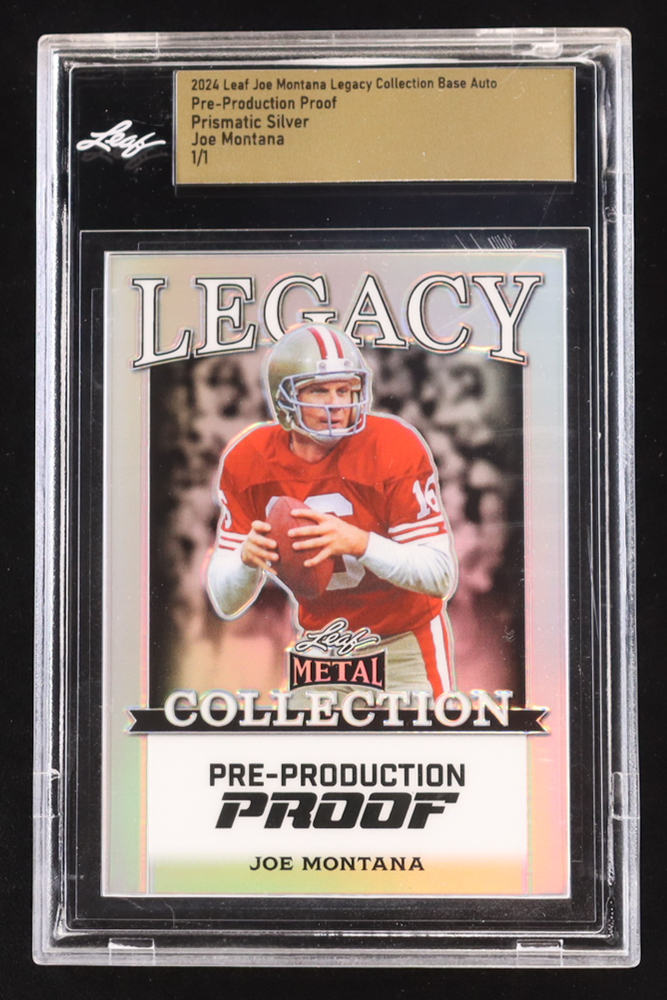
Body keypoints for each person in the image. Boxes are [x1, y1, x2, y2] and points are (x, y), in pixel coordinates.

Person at [206, 323, 457, 702]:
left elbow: (440, 575)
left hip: (403, 643)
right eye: (319, 390)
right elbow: (226, 602)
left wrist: (360, 543)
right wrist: (245, 561)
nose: (336, 404)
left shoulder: (393, 445)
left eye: (345, 389)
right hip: (323, 644)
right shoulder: (248, 458)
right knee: (306, 739)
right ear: (284, 397)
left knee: (416, 739)